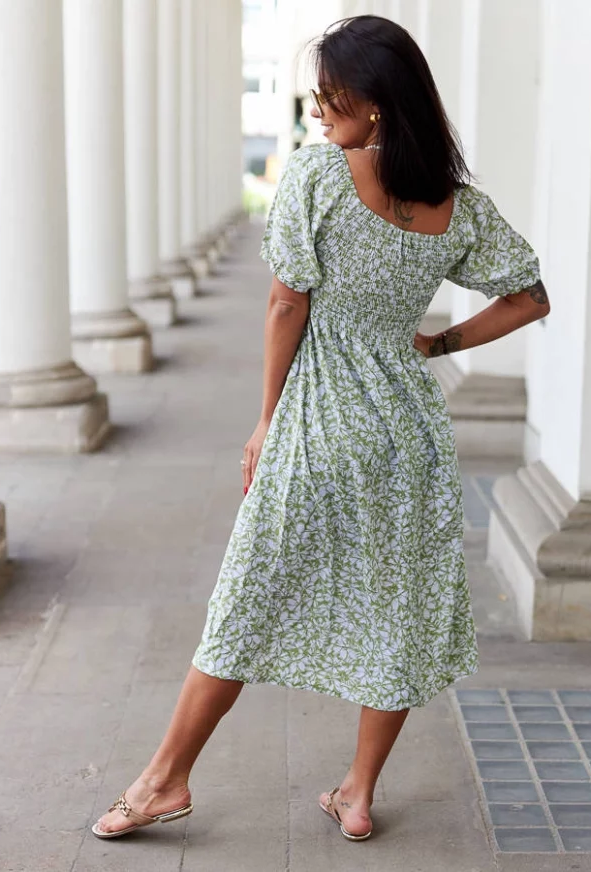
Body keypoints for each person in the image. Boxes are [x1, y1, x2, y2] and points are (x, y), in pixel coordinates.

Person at [92, 14, 549, 843]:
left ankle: (163, 781)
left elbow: (285, 303)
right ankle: (358, 794)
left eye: (328, 94)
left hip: (319, 421)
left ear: (374, 101)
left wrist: (267, 418)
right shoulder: (457, 206)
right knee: (398, 611)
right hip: (408, 438)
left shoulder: (316, 175)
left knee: (246, 599)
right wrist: (436, 343)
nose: (315, 108)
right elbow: (528, 299)